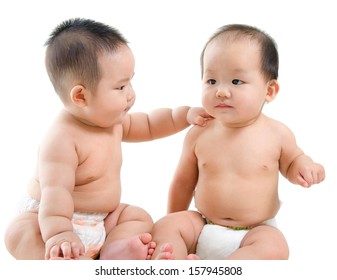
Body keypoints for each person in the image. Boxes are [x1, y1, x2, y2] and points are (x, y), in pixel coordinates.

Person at [4, 18, 209, 260]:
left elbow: (150, 124)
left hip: (103, 219)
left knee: (138, 216)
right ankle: (64, 260)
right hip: (50, 219)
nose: (131, 94)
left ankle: (113, 253)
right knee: (18, 233)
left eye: (130, 81)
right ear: (81, 96)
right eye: (121, 87)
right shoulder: (62, 140)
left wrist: (183, 116)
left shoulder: (112, 120)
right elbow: (55, 192)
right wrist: (59, 233)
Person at [151, 24, 325, 260]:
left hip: (254, 232)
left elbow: (293, 161)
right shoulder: (198, 133)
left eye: (236, 81)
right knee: (164, 227)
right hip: (204, 225)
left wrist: (305, 167)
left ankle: (228, 267)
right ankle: (177, 260)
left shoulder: (277, 134)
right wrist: (174, 223)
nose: (221, 91)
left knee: (275, 246)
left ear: (269, 90)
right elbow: (182, 183)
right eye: (211, 81)